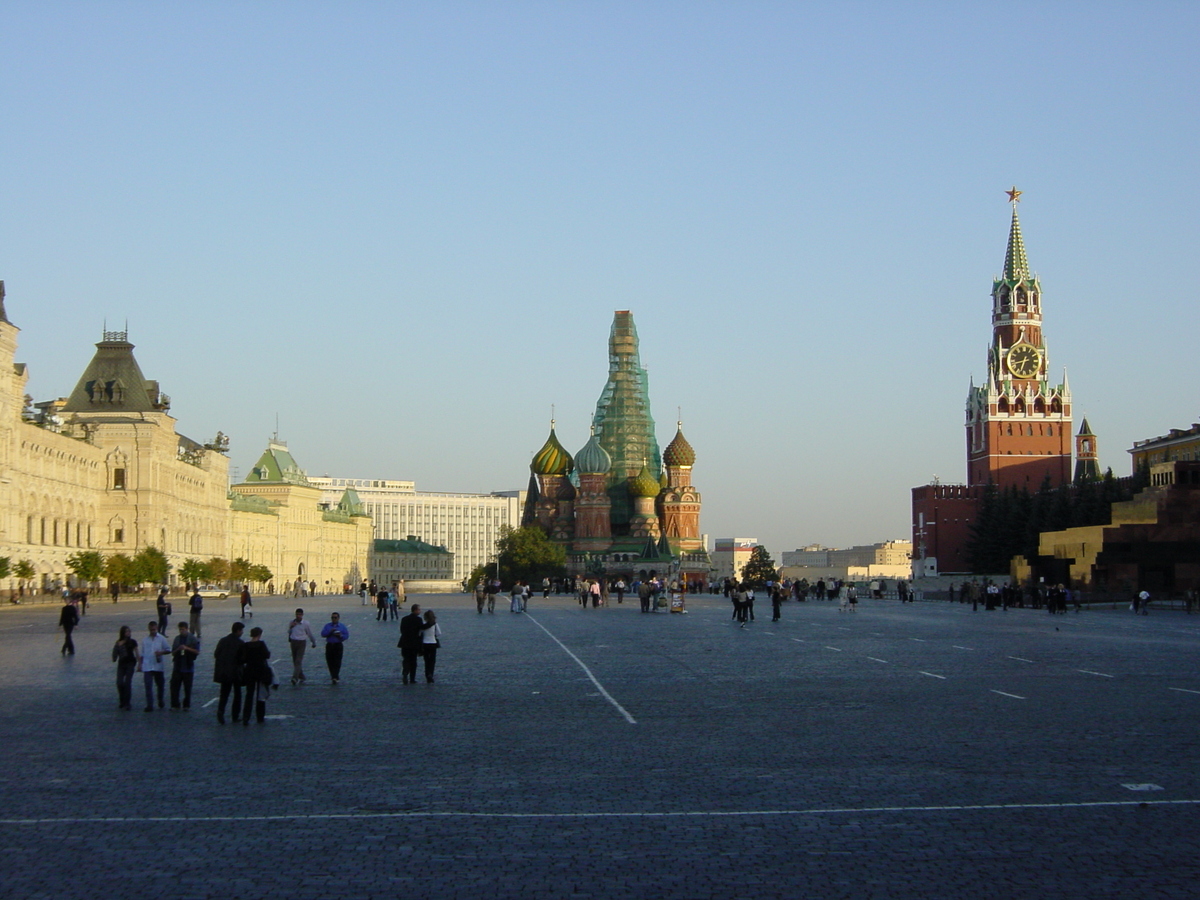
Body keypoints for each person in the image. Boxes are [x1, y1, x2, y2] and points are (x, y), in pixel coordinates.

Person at [212, 622, 246, 724]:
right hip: (235, 672)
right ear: (238, 631)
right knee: (237, 694)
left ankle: (220, 712)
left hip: (224, 672)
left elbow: (216, 654)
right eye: (241, 630)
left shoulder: (223, 640)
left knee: (224, 694)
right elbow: (243, 658)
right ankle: (235, 716)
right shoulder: (240, 643)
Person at [238, 626, 273, 725]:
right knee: (260, 695)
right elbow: (267, 655)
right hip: (260, 671)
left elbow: (243, 659)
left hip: (249, 671)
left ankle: (246, 716)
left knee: (249, 695)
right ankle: (260, 717)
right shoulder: (261, 644)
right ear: (259, 634)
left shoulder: (246, 645)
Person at [139, 620, 171, 711]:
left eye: (154, 629)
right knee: (148, 686)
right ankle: (150, 705)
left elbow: (168, 649)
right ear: (149, 629)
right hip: (147, 666)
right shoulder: (145, 640)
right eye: (151, 629)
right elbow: (142, 653)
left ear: (156, 628)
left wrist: (161, 652)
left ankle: (160, 700)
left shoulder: (161, 638)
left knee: (160, 685)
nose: (153, 631)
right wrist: (140, 664)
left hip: (158, 666)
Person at [169, 621, 200, 710]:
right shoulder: (177, 639)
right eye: (180, 630)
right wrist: (178, 649)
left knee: (187, 688)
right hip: (178, 666)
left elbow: (197, 651)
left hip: (188, 666)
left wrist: (187, 648)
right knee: (174, 686)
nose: (181, 631)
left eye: (183, 629)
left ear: (187, 629)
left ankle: (186, 705)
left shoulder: (193, 639)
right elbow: (173, 652)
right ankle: (175, 704)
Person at [111, 625, 139, 710]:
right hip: (122, 664)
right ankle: (122, 700)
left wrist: (139, 663)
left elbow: (137, 653)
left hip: (130, 663)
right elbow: (114, 656)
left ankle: (127, 703)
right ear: (122, 633)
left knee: (127, 683)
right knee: (119, 683)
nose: (128, 633)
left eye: (129, 631)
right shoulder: (118, 643)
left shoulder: (132, 642)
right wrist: (118, 646)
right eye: (126, 631)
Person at [398, 603, 427, 684]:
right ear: (415, 610)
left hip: (404, 642)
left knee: (406, 659)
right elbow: (421, 630)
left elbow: (402, 630)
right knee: (413, 661)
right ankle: (412, 678)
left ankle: (405, 672)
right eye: (419, 610)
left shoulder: (404, 619)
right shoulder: (418, 620)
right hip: (414, 643)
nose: (420, 611)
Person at [287, 608, 317, 685]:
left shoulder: (306, 623)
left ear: (302, 615)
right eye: (297, 614)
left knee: (298, 660)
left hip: (301, 642)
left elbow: (309, 633)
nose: (298, 616)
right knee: (295, 661)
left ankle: (295, 678)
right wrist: (291, 627)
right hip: (293, 642)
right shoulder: (292, 622)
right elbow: (289, 632)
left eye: (300, 615)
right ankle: (301, 676)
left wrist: (313, 642)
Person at [321, 612, 349, 684]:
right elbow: (323, 634)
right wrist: (330, 632)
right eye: (332, 617)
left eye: (335, 617)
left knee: (337, 661)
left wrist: (340, 636)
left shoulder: (342, 626)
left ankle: (335, 676)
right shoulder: (327, 626)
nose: (334, 619)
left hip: (338, 645)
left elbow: (346, 636)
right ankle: (333, 675)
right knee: (330, 662)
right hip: (330, 645)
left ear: (338, 618)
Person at [421, 609, 442, 683]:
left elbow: (420, 632)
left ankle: (427, 674)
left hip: (425, 643)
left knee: (426, 660)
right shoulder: (435, 624)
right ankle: (431, 674)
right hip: (433, 643)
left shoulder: (423, 624)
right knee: (432, 660)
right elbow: (439, 633)